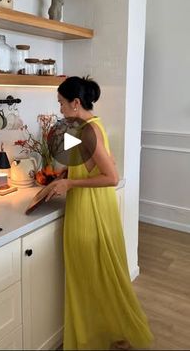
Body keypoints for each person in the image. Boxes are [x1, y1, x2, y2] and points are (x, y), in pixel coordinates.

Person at [45, 76, 153, 350]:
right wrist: (66, 172)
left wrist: (69, 183)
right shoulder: (92, 124)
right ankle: (115, 333)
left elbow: (111, 176)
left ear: (75, 103)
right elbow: (89, 162)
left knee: (90, 276)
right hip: (97, 205)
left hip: (89, 209)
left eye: (61, 103)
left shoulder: (87, 131)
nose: (59, 109)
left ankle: (100, 336)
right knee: (102, 273)